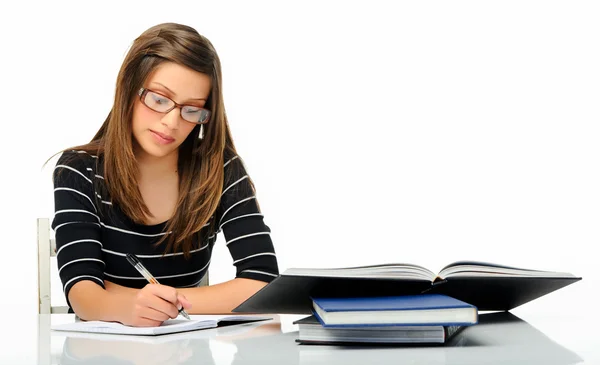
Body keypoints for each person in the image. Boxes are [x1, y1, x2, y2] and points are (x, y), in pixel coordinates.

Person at [51, 22, 279, 327]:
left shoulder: (218, 168)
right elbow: (82, 292)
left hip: (187, 349)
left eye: (192, 110)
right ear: (128, 89)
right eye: (159, 99)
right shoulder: (79, 170)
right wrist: (124, 307)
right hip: (99, 350)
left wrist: (160, 302)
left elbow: (262, 281)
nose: (172, 122)